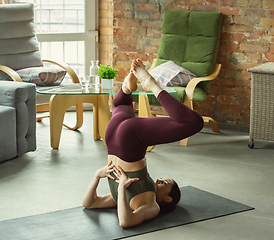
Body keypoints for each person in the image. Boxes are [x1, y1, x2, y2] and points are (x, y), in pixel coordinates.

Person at [82, 59, 204, 228]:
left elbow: (91, 204)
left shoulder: (151, 206)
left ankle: (145, 85)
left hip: (114, 139)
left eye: (165, 183)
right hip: (128, 140)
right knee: (192, 122)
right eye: (163, 179)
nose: (159, 180)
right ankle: (131, 86)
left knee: (193, 122)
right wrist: (122, 189)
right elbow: (123, 218)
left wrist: (97, 176)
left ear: (167, 199)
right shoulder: (148, 204)